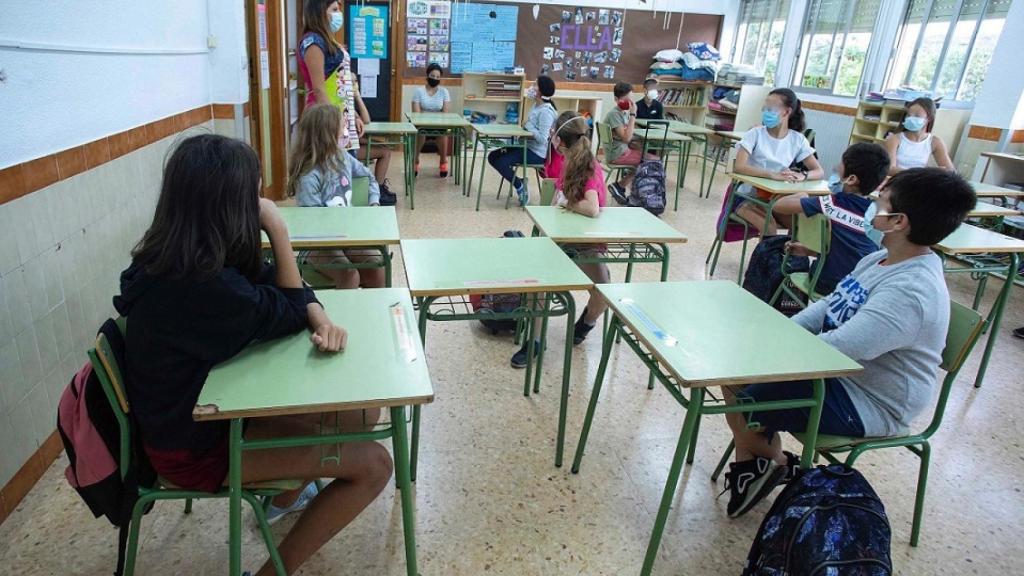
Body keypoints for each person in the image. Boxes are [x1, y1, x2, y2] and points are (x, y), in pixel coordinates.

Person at [114, 134, 393, 576]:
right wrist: (278, 229)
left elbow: (285, 289)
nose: (261, 199)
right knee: (376, 464)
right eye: (254, 193)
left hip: (204, 417)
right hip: (193, 449)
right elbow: (285, 305)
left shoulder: (184, 255)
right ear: (227, 204)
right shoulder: (202, 286)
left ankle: (282, 501)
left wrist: (318, 319)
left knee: (361, 413)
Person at [720, 167, 975, 518]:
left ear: (899, 221)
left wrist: (772, 355)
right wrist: (777, 337)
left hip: (871, 400)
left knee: (749, 390)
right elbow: (826, 306)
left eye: (880, 204)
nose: (872, 207)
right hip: (843, 374)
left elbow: (839, 348)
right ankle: (761, 465)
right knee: (735, 370)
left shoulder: (912, 291)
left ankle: (774, 463)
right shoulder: (878, 258)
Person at [511, 114, 610, 367]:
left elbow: (592, 208)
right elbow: (558, 198)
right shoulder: (567, 161)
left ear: (558, 139)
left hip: (588, 243)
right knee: (539, 280)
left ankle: (586, 323)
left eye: (552, 132)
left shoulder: (588, 166)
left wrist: (566, 202)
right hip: (564, 240)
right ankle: (535, 340)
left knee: (604, 289)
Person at [297, 0, 394, 200]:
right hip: (328, 122)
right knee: (333, 178)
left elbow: (342, 86)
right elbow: (319, 88)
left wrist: (354, 115)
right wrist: (335, 123)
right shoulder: (313, 42)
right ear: (320, 12)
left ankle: (350, 217)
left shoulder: (328, 40)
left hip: (343, 118)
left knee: (346, 174)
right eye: (334, 9)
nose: (339, 13)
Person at [769, 142, 891, 295]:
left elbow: (778, 206)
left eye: (839, 165)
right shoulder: (878, 217)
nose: (835, 167)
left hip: (824, 283)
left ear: (851, 179)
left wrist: (802, 195)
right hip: (858, 291)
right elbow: (854, 253)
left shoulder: (831, 203)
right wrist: (809, 251)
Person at [287, 104, 385, 289]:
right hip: (317, 243)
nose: (346, 131)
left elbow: (368, 176)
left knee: (377, 266)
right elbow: (313, 222)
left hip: (347, 235)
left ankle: (376, 314)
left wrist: (374, 203)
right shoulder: (309, 175)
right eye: (342, 127)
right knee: (349, 275)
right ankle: (341, 318)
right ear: (327, 134)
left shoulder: (342, 157)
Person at [732, 88, 825, 235]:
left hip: (775, 198)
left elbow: (819, 171)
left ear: (787, 112)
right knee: (769, 227)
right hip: (747, 196)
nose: (765, 112)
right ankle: (765, 258)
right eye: (765, 108)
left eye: (771, 109)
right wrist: (771, 174)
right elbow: (739, 167)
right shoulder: (755, 134)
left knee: (799, 228)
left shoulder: (797, 139)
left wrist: (804, 176)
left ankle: (788, 257)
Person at [488, 75, 558, 206]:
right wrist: (526, 127)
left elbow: (543, 139)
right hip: (526, 146)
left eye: (535, 85)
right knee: (492, 156)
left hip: (536, 153)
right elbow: (528, 127)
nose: (531, 87)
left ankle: (520, 186)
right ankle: (520, 181)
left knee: (501, 161)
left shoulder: (546, 112)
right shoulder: (536, 106)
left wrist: (528, 126)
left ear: (542, 90)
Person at [604, 81, 659, 204]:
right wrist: (633, 114)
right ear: (616, 99)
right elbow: (626, 138)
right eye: (626, 99)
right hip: (618, 154)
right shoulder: (615, 114)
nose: (630, 103)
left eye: (631, 99)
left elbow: (627, 135)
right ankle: (633, 192)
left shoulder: (622, 113)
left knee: (645, 154)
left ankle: (621, 186)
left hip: (621, 150)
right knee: (653, 161)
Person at [884, 97, 954, 174]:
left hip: (920, 182)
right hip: (898, 182)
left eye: (917, 116)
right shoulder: (894, 139)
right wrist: (924, 172)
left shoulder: (935, 142)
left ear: (929, 119)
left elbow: (950, 171)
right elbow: (890, 169)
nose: (911, 119)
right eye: (909, 115)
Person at [412, 63, 451, 177]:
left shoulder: (444, 92)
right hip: (422, 124)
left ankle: (443, 161)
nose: (435, 79)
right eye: (432, 76)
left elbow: (445, 113)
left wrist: (426, 112)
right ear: (427, 75)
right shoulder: (419, 91)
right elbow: (416, 113)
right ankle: (415, 160)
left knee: (443, 133)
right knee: (420, 133)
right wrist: (432, 114)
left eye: (438, 77)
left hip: (438, 124)